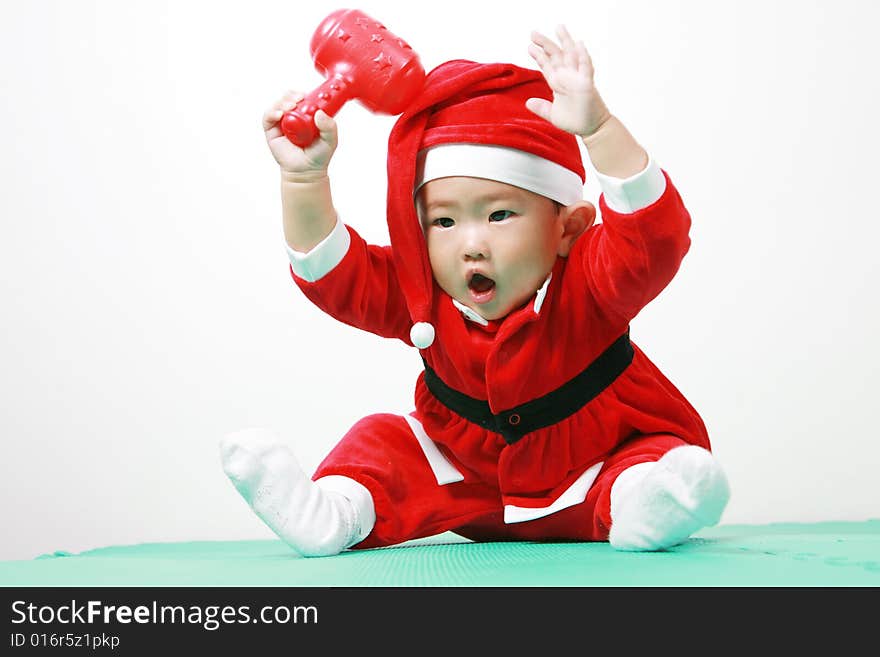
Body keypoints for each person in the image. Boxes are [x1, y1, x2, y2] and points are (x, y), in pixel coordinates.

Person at [221, 25, 730, 556]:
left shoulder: (591, 281)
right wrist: (303, 181)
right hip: (472, 488)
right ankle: (333, 513)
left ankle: (650, 507)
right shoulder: (423, 294)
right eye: (443, 222)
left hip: (594, 468)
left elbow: (654, 237)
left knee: (646, 463)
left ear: (568, 227)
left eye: (499, 214)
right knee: (384, 440)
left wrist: (599, 129)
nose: (470, 244)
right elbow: (335, 276)